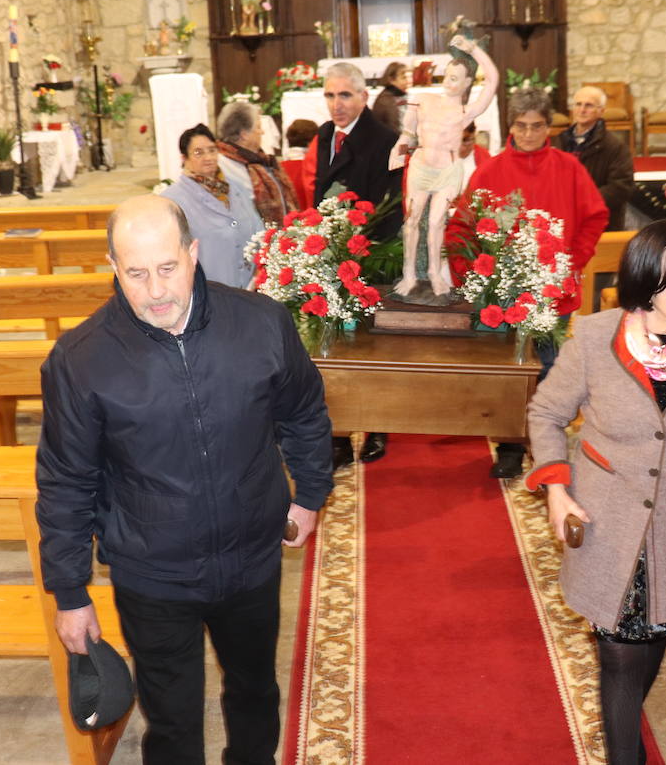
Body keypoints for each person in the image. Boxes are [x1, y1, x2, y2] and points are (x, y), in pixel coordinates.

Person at [36, 195, 332, 765]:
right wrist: (70, 593)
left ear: (194, 255)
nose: (155, 292)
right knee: (171, 721)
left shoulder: (261, 323)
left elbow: (304, 412)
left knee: (253, 691)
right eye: (135, 273)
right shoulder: (80, 359)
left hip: (251, 557)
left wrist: (311, 494)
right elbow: (66, 482)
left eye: (167, 268)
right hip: (153, 572)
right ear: (113, 268)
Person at [525, 219, 666, 765]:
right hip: (607, 516)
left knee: (655, 636)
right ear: (643, 278)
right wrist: (557, 488)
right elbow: (546, 413)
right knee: (621, 653)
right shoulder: (593, 338)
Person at [457, 86, 609, 478]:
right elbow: (461, 227)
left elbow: (595, 216)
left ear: (549, 127)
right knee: (510, 373)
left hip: (553, 291)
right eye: (521, 126)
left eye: (536, 126)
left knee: (551, 370)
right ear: (511, 126)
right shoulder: (489, 170)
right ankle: (508, 446)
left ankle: (547, 447)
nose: (528, 134)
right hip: (504, 296)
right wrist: (478, 273)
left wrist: (574, 262)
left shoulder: (569, 167)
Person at [315, 61, 402, 466]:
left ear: (364, 97)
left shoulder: (385, 139)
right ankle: (338, 430)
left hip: (370, 255)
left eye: (345, 95)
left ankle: (378, 427)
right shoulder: (324, 134)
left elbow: (390, 208)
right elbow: (320, 194)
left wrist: (360, 250)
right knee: (336, 346)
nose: (337, 104)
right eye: (331, 95)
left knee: (374, 346)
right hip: (333, 254)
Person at [395, 35, 499, 297]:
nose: (448, 83)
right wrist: (400, 147)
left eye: (455, 79)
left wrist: (473, 49)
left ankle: (433, 275)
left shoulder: (465, 113)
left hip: (447, 173)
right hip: (421, 168)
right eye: (447, 76)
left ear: (466, 84)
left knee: (436, 224)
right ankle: (409, 275)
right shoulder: (424, 100)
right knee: (412, 221)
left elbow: (493, 80)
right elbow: (408, 131)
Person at [158, 124, 265, 288]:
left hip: (249, 288)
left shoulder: (235, 187)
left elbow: (258, 230)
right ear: (184, 159)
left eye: (212, 150)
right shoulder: (172, 200)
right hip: (207, 291)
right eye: (198, 152)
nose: (208, 157)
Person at [556, 85, 637, 233]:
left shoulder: (615, 146)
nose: (582, 109)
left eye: (589, 105)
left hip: (600, 223)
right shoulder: (559, 141)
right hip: (563, 220)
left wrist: (583, 201)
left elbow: (621, 186)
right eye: (578, 104)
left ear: (601, 111)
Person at [215, 98, 299, 226]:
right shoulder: (222, 165)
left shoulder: (261, 160)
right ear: (244, 135)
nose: (262, 132)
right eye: (259, 127)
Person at [370, 60, 412, 135]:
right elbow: (396, 130)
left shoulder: (399, 94)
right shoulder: (386, 99)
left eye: (410, 77)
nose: (409, 80)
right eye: (404, 77)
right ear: (391, 80)